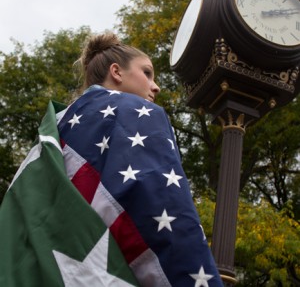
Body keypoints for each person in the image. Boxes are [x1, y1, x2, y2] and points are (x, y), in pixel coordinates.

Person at [0, 32, 223, 287]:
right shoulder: (137, 112)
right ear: (116, 72)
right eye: (147, 73)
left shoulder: (55, 130)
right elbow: (158, 201)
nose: (156, 86)